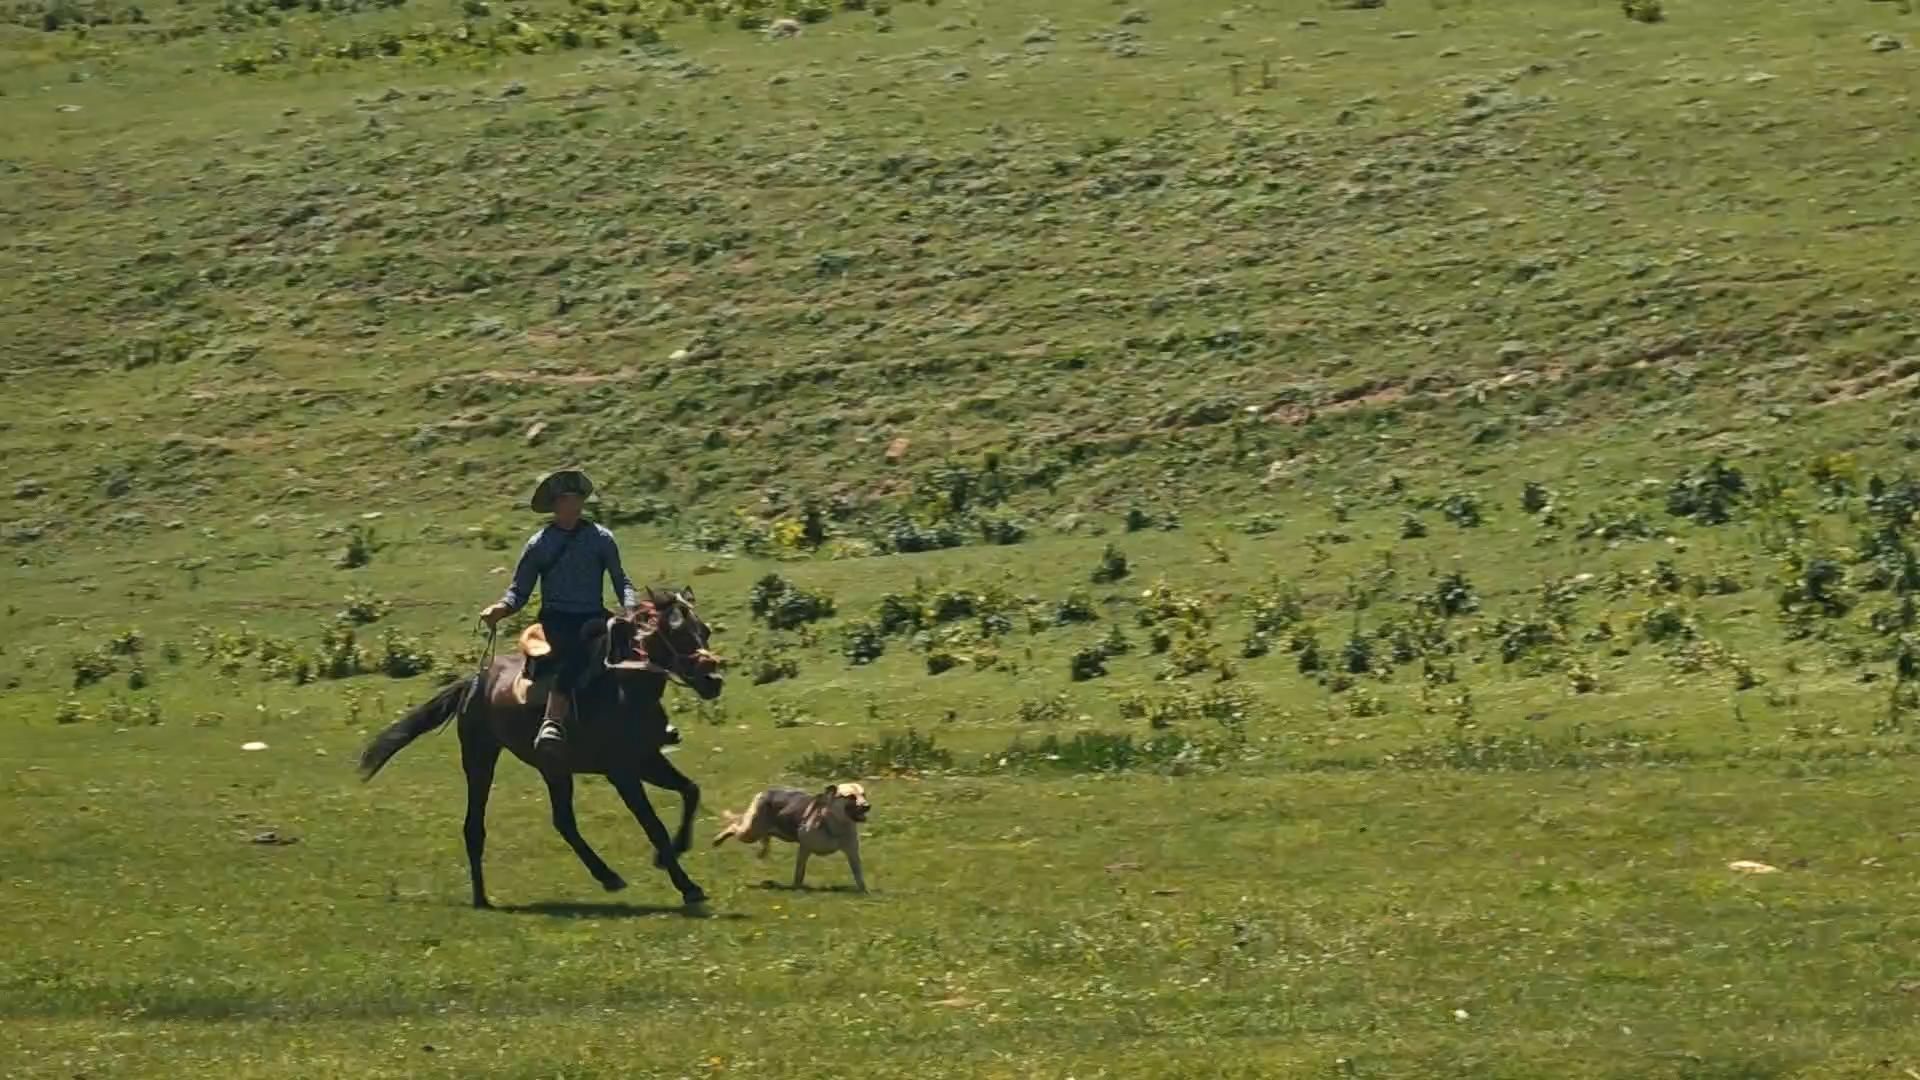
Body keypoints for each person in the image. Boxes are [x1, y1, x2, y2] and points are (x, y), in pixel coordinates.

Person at [478, 469, 641, 756]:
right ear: (555, 505)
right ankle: (552, 721)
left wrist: (631, 609)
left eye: (577, 498)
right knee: (576, 654)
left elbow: (621, 580)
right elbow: (519, 590)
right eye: (567, 499)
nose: (574, 504)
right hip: (557, 620)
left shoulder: (601, 538)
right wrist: (501, 609)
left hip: (593, 615)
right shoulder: (540, 544)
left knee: (634, 649)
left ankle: (647, 718)